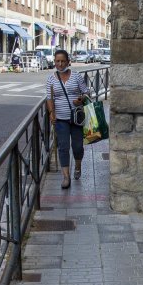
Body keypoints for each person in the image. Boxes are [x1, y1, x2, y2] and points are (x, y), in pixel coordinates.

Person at [45, 50, 92, 189]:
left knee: (77, 147)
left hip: (76, 118)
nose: (60, 64)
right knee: (63, 147)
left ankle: (78, 166)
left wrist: (81, 99)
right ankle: (66, 177)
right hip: (60, 119)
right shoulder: (51, 79)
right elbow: (49, 98)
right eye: (57, 61)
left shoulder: (76, 76)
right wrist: (51, 113)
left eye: (62, 61)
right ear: (55, 62)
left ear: (68, 61)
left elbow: (86, 92)